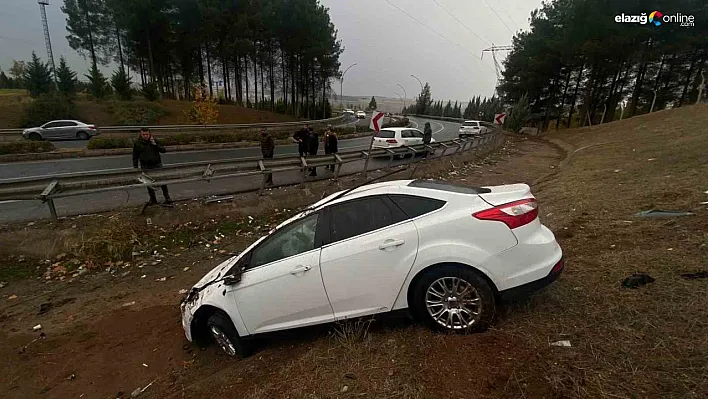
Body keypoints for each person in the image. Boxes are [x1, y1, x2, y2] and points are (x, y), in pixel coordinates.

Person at [132, 127, 172, 206]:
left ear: (149, 134)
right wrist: (135, 167)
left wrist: (155, 145)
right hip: (145, 165)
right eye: (144, 134)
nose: (145, 136)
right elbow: (135, 156)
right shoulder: (137, 143)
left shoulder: (154, 141)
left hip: (156, 164)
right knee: (148, 183)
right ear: (141, 134)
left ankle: (167, 197)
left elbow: (163, 150)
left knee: (162, 181)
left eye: (147, 134)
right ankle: (153, 199)